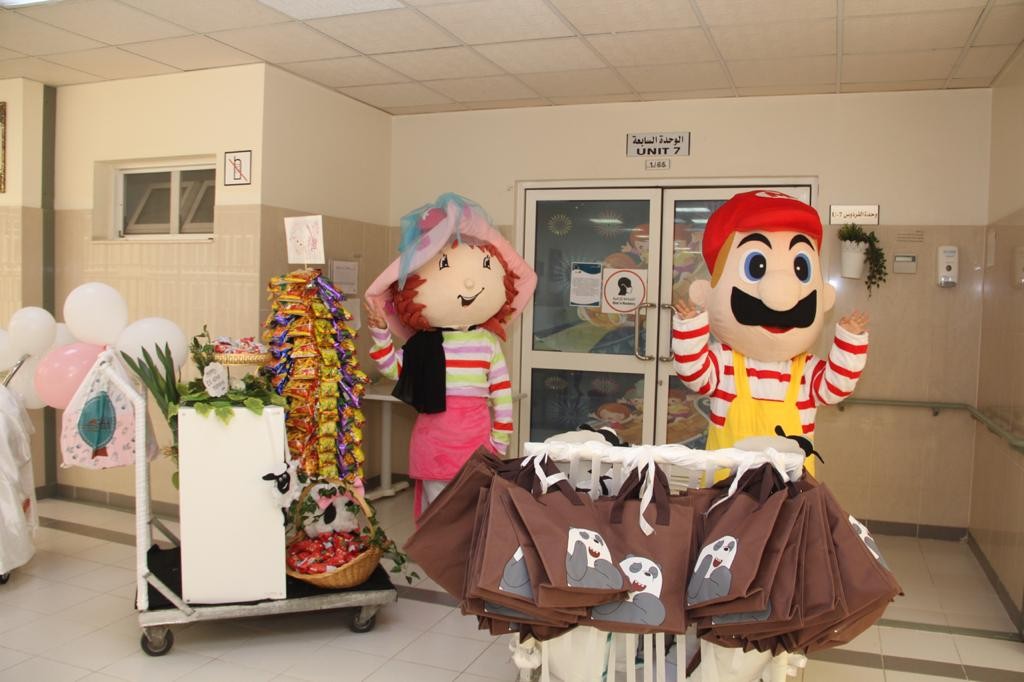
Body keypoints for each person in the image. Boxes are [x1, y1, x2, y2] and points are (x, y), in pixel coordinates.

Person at [671, 189, 869, 475]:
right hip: (728, 487)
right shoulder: (725, 362)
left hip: (788, 490)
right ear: (707, 292)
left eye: (800, 268)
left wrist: (849, 340)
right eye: (757, 266)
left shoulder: (806, 370)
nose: (781, 298)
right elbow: (693, 374)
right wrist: (690, 326)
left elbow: (837, 388)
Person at [364, 193, 537, 517]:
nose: (470, 283)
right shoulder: (424, 343)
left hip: (476, 442)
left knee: (472, 511)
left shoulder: (487, 342)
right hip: (433, 444)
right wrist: (381, 334)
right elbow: (393, 370)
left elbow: (501, 392)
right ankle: (438, 550)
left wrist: (500, 441)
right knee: (438, 512)